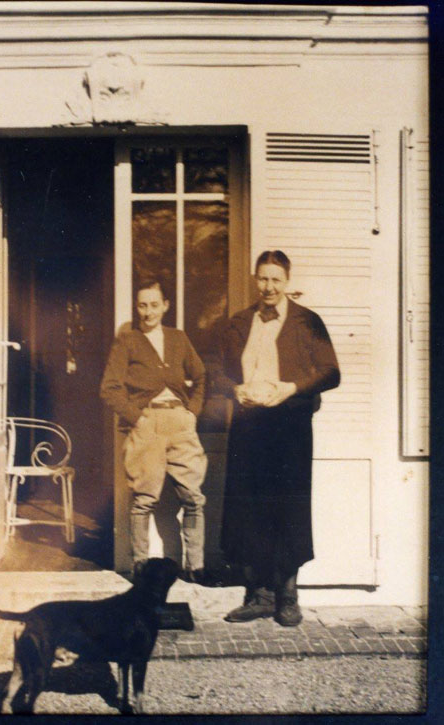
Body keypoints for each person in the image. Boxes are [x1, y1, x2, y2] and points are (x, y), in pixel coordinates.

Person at [212, 250, 340, 626]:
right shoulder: (237, 323)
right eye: (263, 279)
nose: (268, 287)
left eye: (276, 280)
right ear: (255, 279)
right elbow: (215, 371)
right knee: (248, 507)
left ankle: (287, 595)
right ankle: (258, 595)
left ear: (287, 281)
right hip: (249, 428)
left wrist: (291, 387)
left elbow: (331, 372)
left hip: (290, 430)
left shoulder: (307, 322)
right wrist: (235, 390)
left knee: (288, 507)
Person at [100, 277, 209, 583]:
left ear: (165, 306)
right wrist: (138, 418)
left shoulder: (178, 338)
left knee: (193, 497)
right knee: (144, 499)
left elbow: (200, 376)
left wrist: (192, 413)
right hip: (147, 425)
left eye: (153, 305)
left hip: (180, 424)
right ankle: (139, 565)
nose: (147, 312)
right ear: (137, 307)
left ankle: (195, 566)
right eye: (142, 305)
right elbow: (109, 388)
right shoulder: (128, 341)